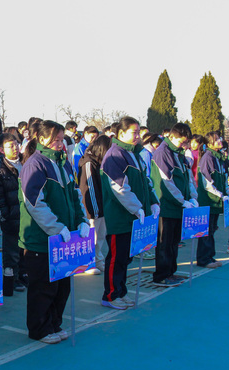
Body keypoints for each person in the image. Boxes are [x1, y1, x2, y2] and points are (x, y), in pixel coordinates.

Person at [20, 120, 90, 344]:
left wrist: (80, 220)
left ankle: (54, 323)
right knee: (43, 288)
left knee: (62, 287)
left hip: (64, 240)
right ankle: (39, 328)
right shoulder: (36, 164)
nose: (60, 144)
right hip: (41, 240)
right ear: (41, 139)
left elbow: (75, 196)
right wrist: (56, 227)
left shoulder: (64, 164)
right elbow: (34, 203)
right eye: (56, 139)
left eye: (62, 140)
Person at [101, 117, 159, 309]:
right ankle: (110, 295)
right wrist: (137, 208)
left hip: (135, 218)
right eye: (133, 133)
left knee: (126, 257)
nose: (137, 136)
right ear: (121, 134)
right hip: (120, 217)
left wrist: (153, 202)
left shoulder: (135, 153)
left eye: (138, 133)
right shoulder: (114, 156)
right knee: (116, 258)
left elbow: (146, 181)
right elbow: (120, 189)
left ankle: (121, 291)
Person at [150, 122, 197, 287]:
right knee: (164, 242)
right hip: (166, 207)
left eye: (186, 142)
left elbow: (188, 178)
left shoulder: (180, 154)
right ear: (172, 137)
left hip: (180, 207)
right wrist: (182, 200)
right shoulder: (163, 153)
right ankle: (161, 275)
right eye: (182, 142)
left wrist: (193, 197)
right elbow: (166, 182)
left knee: (174, 242)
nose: (184, 145)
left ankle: (171, 271)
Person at [0, 133, 25, 295]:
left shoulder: (25, 163)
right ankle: (11, 281)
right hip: (10, 218)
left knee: (24, 250)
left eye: (16, 144)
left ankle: (23, 276)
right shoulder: (0, 169)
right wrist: (4, 218)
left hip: (26, 217)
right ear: (1, 150)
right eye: (10, 146)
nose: (15, 148)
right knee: (11, 253)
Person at [78, 135, 111, 275]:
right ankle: (88, 263)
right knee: (92, 237)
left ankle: (98, 260)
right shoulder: (88, 163)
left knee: (101, 236)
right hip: (92, 208)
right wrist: (94, 210)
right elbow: (88, 188)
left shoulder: (99, 162)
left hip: (101, 207)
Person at [195, 134, 229, 268]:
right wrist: (220, 195)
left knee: (212, 229)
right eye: (216, 140)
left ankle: (210, 256)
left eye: (220, 138)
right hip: (209, 200)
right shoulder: (208, 158)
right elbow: (207, 183)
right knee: (206, 230)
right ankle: (203, 259)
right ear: (209, 144)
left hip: (216, 201)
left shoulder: (218, 157)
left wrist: (227, 193)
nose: (220, 141)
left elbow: (224, 178)